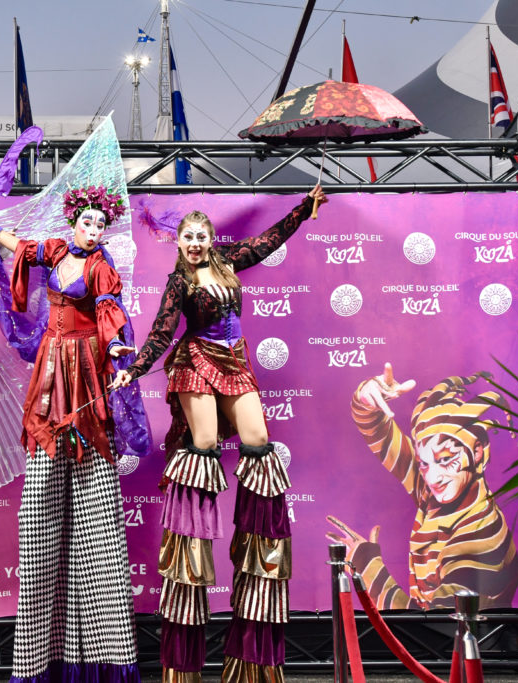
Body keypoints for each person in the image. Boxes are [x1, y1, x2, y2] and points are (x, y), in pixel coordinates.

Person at [112, 186, 326, 683]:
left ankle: (256, 576)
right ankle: (188, 567)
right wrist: (135, 367)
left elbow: (270, 240)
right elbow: (163, 332)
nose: (193, 243)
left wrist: (304, 211)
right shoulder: (178, 281)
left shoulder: (229, 261)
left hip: (236, 360)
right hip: (197, 362)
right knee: (204, 446)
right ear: (179, 242)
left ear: (211, 238)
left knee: (258, 443)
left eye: (200, 236)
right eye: (186, 236)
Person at [0, 185, 150, 683]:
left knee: (92, 482)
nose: (94, 231)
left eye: (101, 225)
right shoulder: (55, 248)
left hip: (84, 368)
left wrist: (118, 349)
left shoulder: (101, 268)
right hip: (49, 364)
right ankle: (38, 659)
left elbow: (110, 312)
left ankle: (101, 656)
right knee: (41, 501)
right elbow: (21, 248)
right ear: (75, 221)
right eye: (88, 223)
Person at [326, 365, 518, 609]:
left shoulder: (480, 540)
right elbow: (378, 432)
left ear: (478, 452)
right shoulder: (441, 491)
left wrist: (367, 565)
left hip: (469, 645)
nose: (433, 477)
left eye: (446, 459)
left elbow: (434, 628)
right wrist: (367, 398)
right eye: (424, 463)